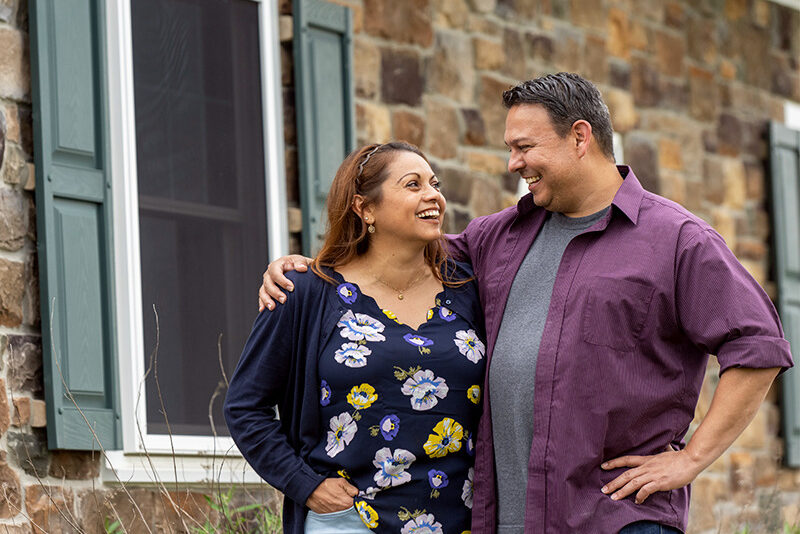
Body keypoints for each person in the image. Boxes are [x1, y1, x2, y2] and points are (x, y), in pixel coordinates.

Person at [257, 73, 793, 533]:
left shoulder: (676, 239)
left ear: (580, 137)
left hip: (617, 518)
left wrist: (693, 459)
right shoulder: (499, 237)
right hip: (505, 517)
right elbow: (394, 258)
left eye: (525, 146)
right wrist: (306, 268)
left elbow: (759, 346)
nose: (513, 163)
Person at [225, 142, 486, 534]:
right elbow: (246, 406)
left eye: (435, 183)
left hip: (459, 520)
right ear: (365, 209)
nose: (434, 195)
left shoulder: (468, 288)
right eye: (412, 185)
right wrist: (306, 485)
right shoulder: (307, 292)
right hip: (350, 520)